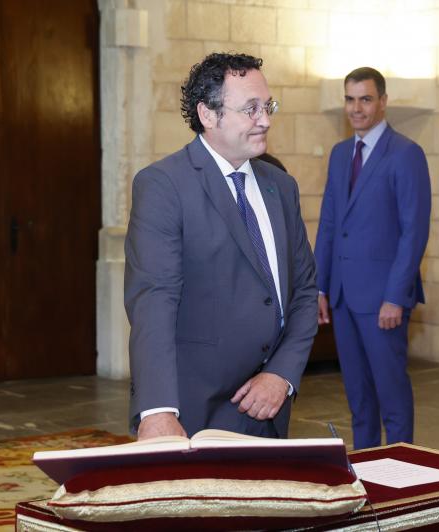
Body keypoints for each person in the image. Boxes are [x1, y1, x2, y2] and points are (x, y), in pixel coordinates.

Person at [124, 53, 317, 441]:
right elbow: (154, 301)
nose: (265, 120)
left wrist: (281, 373)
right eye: (250, 108)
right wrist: (158, 410)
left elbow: (304, 292)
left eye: (268, 106)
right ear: (208, 115)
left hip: (269, 408)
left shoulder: (281, 187)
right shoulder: (164, 185)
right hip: (194, 410)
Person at [314, 67, 431, 450]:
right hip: (343, 296)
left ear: (383, 101)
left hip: (383, 299)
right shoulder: (339, 154)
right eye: (350, 99)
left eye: (365, 99)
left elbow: (414, 232)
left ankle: (403, 467)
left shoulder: (406, 154)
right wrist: (319, 287)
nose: (356, 108)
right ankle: (365, 467)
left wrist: (395, 296)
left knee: (391, 395)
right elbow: (330, 223)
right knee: (359, 399)